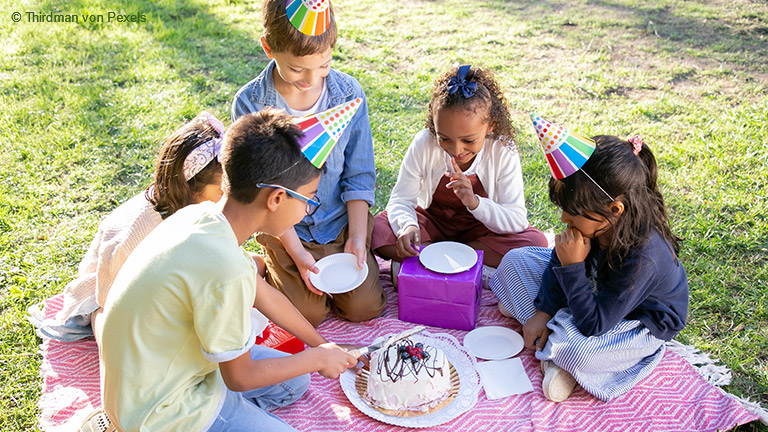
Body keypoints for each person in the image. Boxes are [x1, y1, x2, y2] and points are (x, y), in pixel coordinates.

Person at [96, 108, 360, 431]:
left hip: (154, 381)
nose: (307, 211)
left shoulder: (205, 217)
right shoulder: (225, 269)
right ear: (276, 199)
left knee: (296, 381)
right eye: (308, 200)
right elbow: (240, 376)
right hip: (163, 411)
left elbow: (264, 296)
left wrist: (320, 346)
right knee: (292, 374)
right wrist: (317, 359)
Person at [490, 135, 688, 402]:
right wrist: (544, 310)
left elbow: (594, 325)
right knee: (514, 262)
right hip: (593, 294)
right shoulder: (598, 221)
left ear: (614, 209)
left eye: (572, 211)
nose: (563, 218)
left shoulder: (645, 257)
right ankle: (550, 329)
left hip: (631, 322)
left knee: (579, 350)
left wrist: (573, 266)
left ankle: (562, 358)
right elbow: (555, 264)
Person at [231, 0, 384, 327]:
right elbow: (263, 194)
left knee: (364, 308)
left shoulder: (348, 94)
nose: (312, 79)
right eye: (298, 69)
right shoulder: (250, 103)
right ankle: (268, 264)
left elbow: (359, 175)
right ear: (268, 48)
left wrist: (357, 237)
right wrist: (299, 255)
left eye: (324, 65)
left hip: (338, 223)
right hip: (287, 229)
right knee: (308, 315)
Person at [31, 112, 225, 342]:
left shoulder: (189, 207)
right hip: (109, 286)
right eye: (222, 190)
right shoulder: (146, 233)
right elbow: (111, 288)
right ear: (191, 188)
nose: (226, 197)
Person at [372, 65, 548, 278]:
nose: (456, 150)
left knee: (535, 242)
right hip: (431, 225)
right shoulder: (423, 143)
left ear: (490, 125)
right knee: (378, 229)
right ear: (434, 126)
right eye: (444, 138)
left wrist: (475, 202)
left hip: (481, 232)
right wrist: (408, 227)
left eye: (469, 140)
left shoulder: (502, 150)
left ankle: (429, 262)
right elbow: (400, 200)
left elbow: (516, 219)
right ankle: (465, 266)